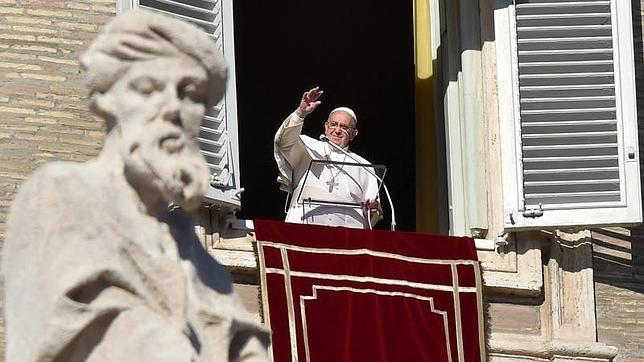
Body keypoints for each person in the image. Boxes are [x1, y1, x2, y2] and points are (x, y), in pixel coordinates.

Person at [2, 11, 269, 362]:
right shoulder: (60, 195)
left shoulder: (201, 260)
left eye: (189, 94)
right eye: (148, 87)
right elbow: (47, 330)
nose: (172, 107)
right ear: (107, 98)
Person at [274, 86, 382, 229]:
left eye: (344, 127)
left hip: (348, 236)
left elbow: (374, 209)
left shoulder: (364, 166)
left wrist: (373, 207)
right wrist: (300, 113)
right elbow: (283, 142)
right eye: (333, 124)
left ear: (354, 134)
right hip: (305, 229)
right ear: (325, 127)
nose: (337, 131)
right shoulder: (307, 146)